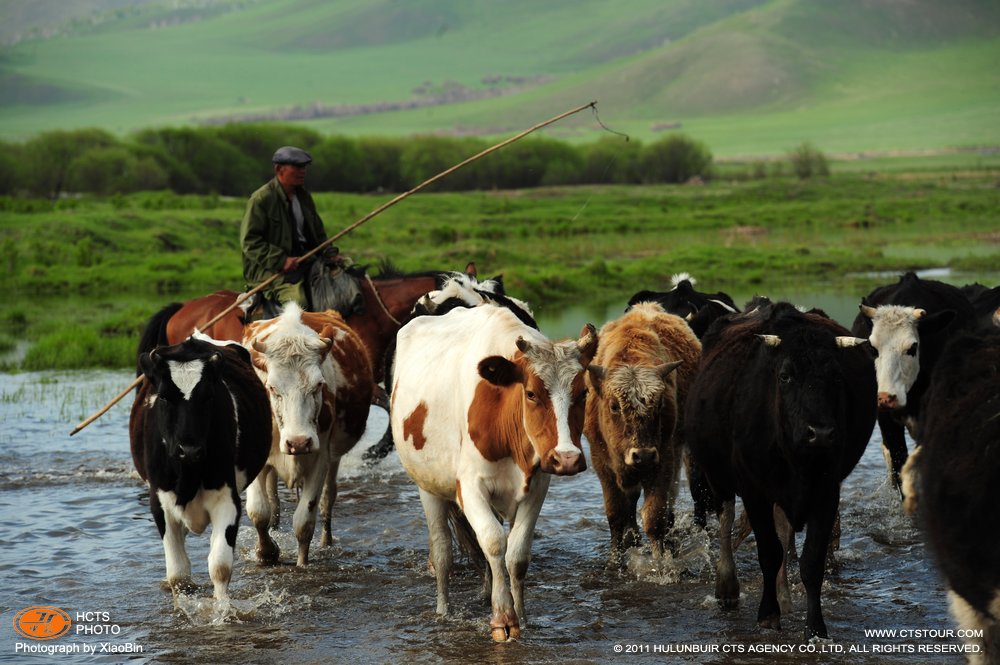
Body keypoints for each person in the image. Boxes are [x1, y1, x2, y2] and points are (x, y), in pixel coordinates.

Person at [240, 146, 363, 317]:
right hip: (270, 269)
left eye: (304, 167)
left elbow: (318, 234)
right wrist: (281, 260)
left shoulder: (303, 196)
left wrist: (329, 252)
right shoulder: (261, 199)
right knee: (298, 304)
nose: (302, 171)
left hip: (305, 259)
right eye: (297, 167)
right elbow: (250, 242)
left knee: (351, 274)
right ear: (279, 169)